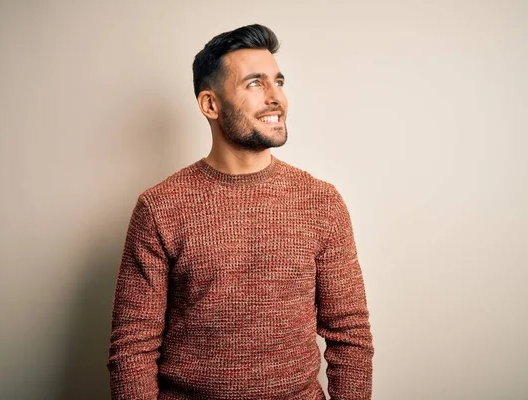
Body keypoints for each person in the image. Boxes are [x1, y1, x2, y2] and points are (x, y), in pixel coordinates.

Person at [107, 24, 374, 400]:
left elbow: (349, 334)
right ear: (210, 105)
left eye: (278, 82)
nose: (275, 97)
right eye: (254, 84)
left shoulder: (321, 201)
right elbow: (132, 347)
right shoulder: (160, 207)